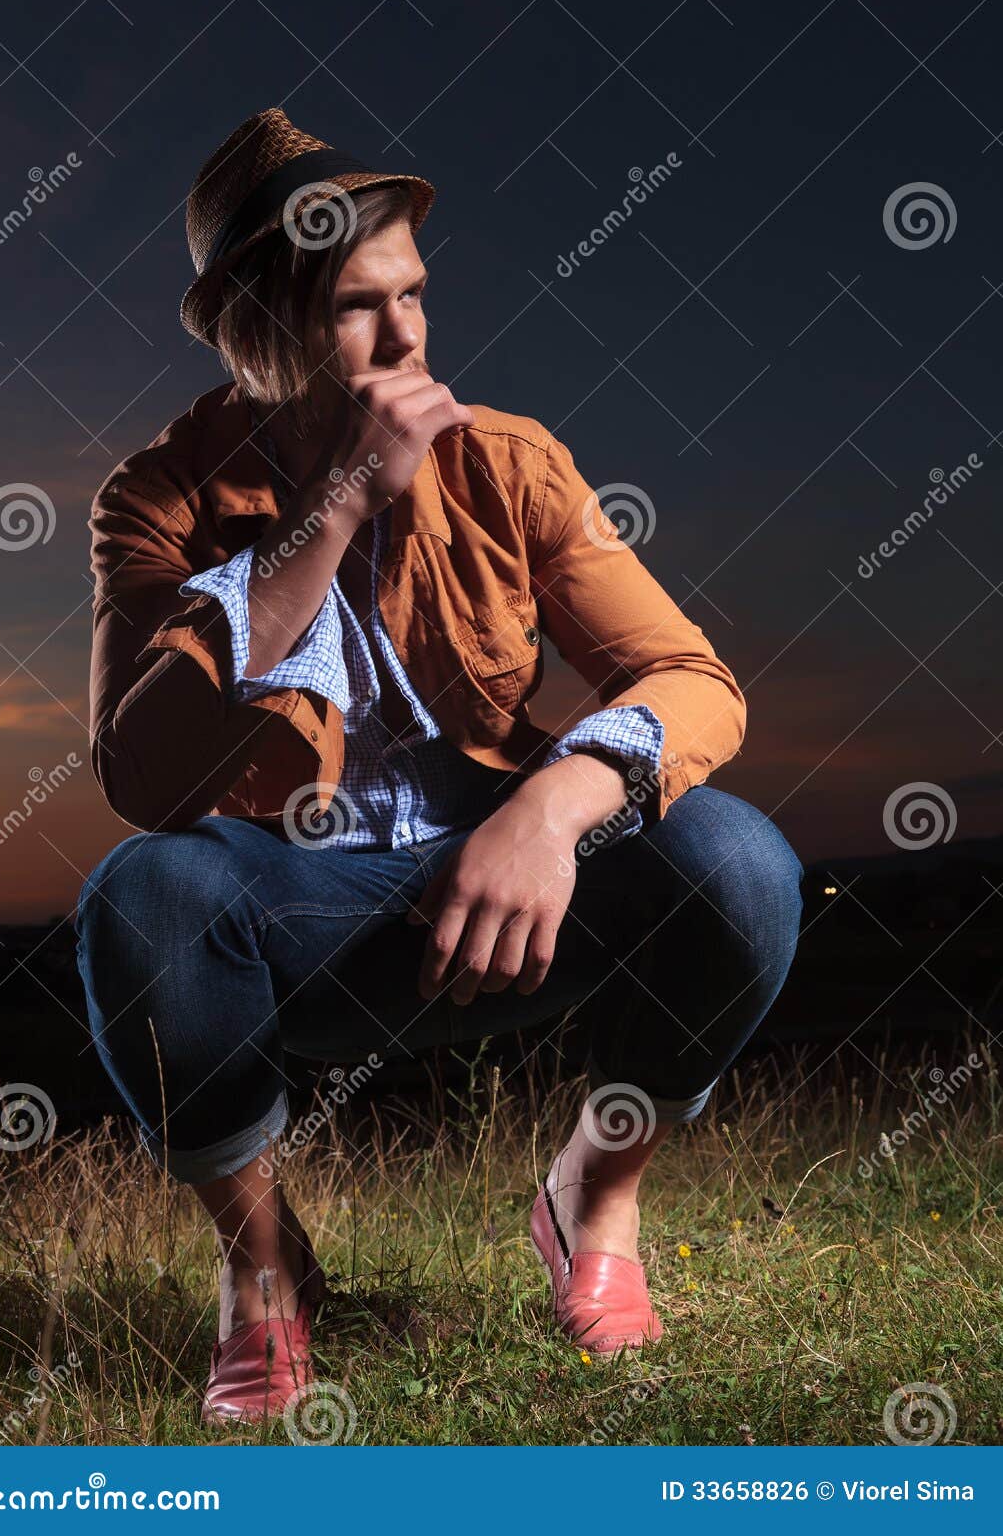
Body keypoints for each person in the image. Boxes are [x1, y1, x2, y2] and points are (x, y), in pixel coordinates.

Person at [75, 107, 804, 1428]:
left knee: (742, 863)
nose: (411, 337)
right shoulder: (156, 498)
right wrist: (338, 502)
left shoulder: (509, 462)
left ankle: (595, 1194)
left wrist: (554, 804)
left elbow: (690, 680)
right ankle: (264, 1272)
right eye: (362, 308)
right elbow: (144, 769)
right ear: (263, 330)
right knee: (142, 892)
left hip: (505, 885)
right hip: (301, 914)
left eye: (415, 292)